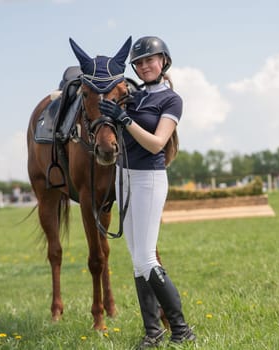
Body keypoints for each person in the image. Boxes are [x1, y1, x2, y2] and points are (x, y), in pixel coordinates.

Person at [99, 36, 195, 348]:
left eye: (149, 60)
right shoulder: (133, 95)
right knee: (136, 260)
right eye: (138, 63)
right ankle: (153, 332)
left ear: (163, 60)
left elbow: (156, 143)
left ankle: (182, 329)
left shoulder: (171, 100)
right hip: (122, 178)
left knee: (146, 257)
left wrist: (124, 120)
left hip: (148, 180)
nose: (143, 66)